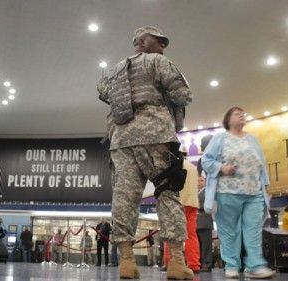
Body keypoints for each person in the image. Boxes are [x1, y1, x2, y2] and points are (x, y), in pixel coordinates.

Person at [96, 26, 193, 279]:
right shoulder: (158, 61)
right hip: (155, 135)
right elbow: (183, 95)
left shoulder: (115, 70)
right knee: (167, 193)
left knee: (124, 199)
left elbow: (103, 92)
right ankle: (176, 263)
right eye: (158, 40)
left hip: (121, 139)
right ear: (141, 41)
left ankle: (126, 262)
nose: (163, 45)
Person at [202, 106, 275, 279]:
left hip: (254, 192)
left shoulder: (253, 140)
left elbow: (261, 164)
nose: (242, 115)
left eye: (243, 113)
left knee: (254, 230)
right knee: (229, 231)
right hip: (227, 192)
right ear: (227, 120)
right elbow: (206, 160)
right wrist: (222, 168)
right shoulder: (220, 138)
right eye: (236, 113)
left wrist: (266, 186)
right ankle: (232, 264)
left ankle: (255, 266)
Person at [163, 154, 200, 272]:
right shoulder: (194, 168)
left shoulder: (174, 165)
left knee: (171, 233)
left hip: (177, 203)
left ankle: (169, 262)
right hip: (192, 203)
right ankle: (194, 264)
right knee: (191, 235)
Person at [196, 135, 214, 272]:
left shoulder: (208, 191)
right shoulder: (201, 161)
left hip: (206, 220)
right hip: (198, 222)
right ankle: (202, 263)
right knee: (200, 245)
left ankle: (207, 264)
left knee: (207, 245)